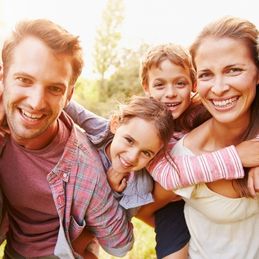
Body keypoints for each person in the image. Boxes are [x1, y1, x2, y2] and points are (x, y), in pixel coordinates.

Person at [65, 42, 259, 259]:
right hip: (169, 205)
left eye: (180, 83)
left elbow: (248, 114)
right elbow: (170, 176)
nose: (171, 94)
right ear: (146, 87)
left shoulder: (205, 108)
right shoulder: (148, 132)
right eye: (160, 85)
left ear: (193, 84)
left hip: (212, 201)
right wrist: (238, 156)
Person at [0, 19, 134, 258]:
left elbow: (119, 243)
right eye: (24, 80)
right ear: (3, 78)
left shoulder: (84, 169)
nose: (36, 102)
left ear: (69, 94)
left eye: (54, 89)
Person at [151, 16, 259, 258]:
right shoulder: (182, 152)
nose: (219, 88)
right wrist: (236, 157)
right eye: (207, 74)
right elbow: (147, 208)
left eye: (234, 70)